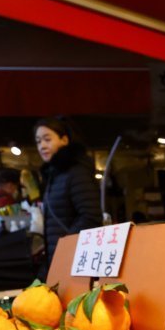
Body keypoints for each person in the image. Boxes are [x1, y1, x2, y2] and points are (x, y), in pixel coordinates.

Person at [34, 117, 100, 276]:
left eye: (47, 139)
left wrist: (64, 246)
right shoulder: (54, 175)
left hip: (76, 261)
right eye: (38, 141)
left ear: (64, 140)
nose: (42, 146)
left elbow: (91, 215)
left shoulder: (76, 172)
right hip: (60, 259)